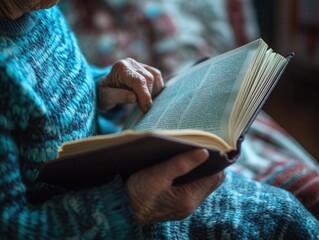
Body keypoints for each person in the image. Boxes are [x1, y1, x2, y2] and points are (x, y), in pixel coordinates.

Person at [0, 1, 318, 239]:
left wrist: (103, 88)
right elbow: (14, 228)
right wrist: (133, 207)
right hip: (109, 218)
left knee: (286, 212)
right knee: (282, 221)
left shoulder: (39, 9)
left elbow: (49, 97)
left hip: (118, 177)